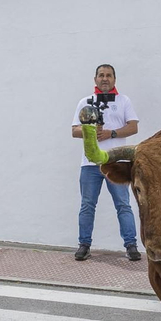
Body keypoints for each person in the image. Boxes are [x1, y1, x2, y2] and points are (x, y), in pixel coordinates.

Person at [67, 64, 140, 261]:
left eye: (108, 75)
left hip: (117, 162)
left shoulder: (123, 101)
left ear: (114, 79)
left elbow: (133, 127)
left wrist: (111, 133)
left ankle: (131, 245)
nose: (105, 79)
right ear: (95, 79)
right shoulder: (85, 102)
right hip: (90, 164)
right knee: (87, 205)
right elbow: (74, 130)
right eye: (101, 75)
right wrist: (90, 131)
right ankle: (84, 244)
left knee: (123, 204)